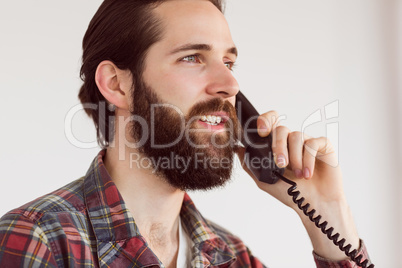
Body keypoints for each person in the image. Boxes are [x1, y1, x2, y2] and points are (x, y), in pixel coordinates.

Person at [0, 0, 372, 267]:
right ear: (116, 84)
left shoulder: (231, 256)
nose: (230, 84)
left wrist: (327, 213)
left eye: (228, 61)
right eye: (192, 57)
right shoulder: (38, 242)